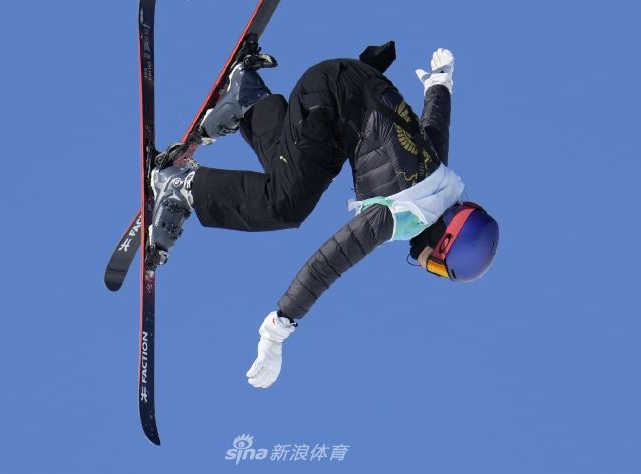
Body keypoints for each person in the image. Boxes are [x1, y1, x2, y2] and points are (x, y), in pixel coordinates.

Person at [149, 41, 499, 388]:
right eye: (437, 266)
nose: (425, 268)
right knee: (285, 205)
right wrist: (277, 331)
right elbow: (327, 263)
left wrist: (440, 82)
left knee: (300, 178)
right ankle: (183, 187)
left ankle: (248, 97)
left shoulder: (438, 181)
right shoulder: (400, 214)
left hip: (347, 91)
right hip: (329, 101)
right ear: (442, 239)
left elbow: (436, 127)